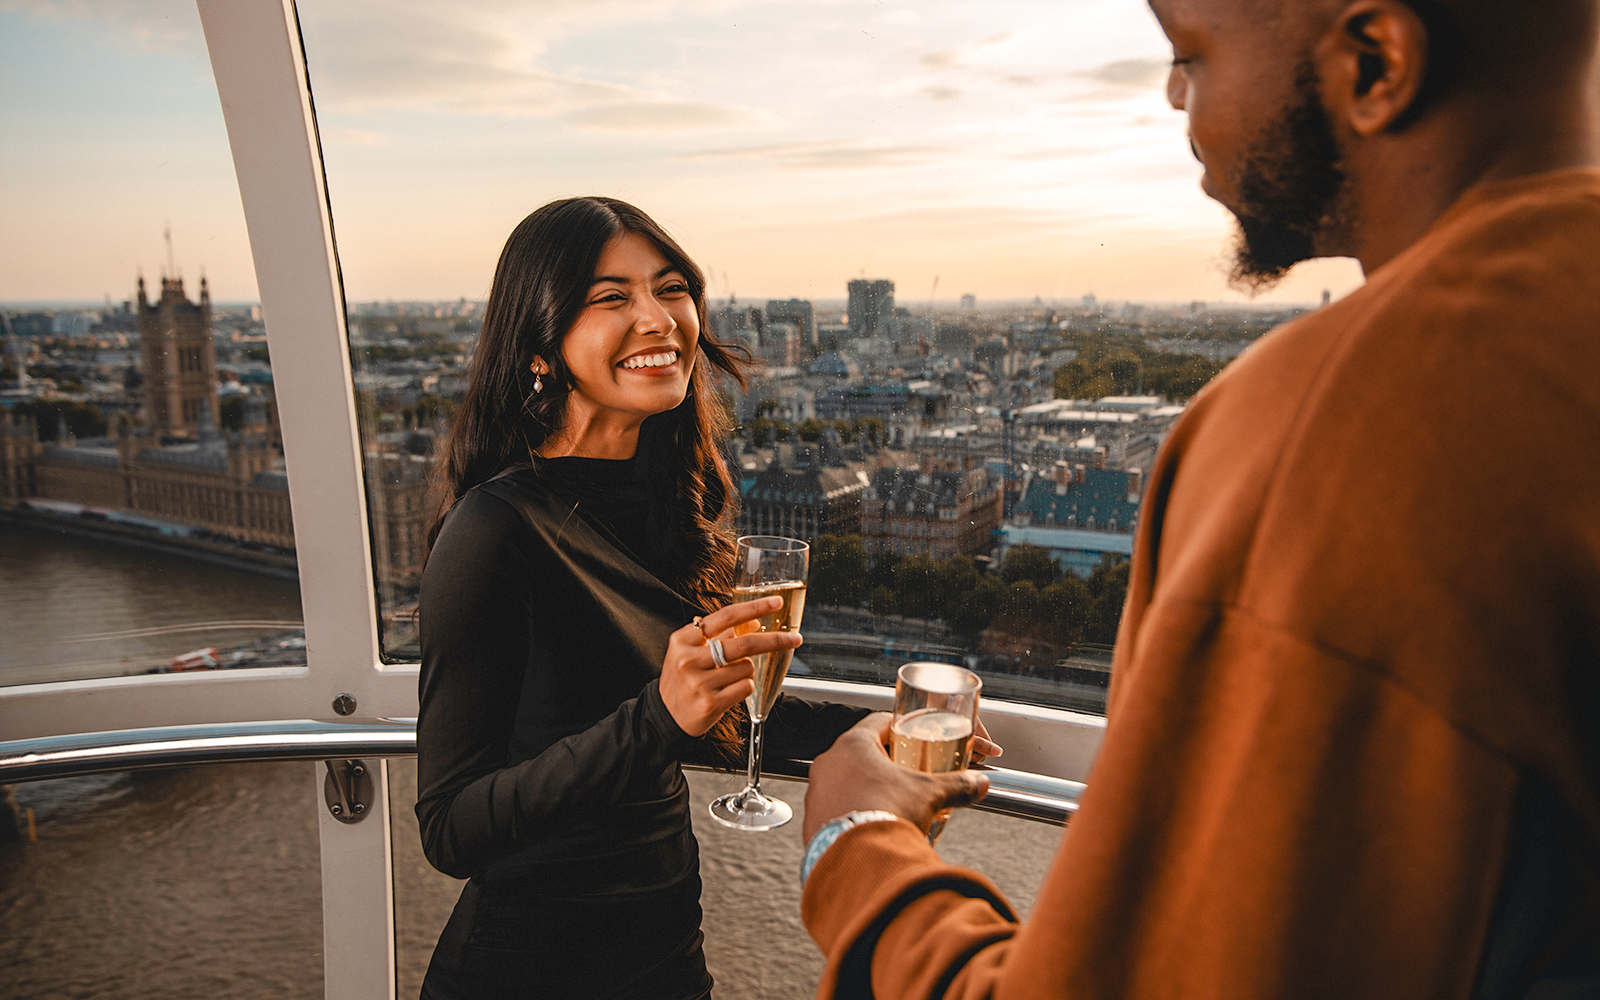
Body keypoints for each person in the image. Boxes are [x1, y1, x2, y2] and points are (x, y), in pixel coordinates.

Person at [798, 0, 1600, 995]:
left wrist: (856, 848)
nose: (1175, 91)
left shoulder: (1341, 426)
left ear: (1374, 62)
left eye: (1190, 52)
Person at [414, 196, 870, 999]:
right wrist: (659, 718)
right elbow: (451, 827)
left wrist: (885, 730)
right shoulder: (494, 530)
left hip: (663, 955)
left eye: (670, 289)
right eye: (611, 297)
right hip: (531, 971)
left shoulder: (662, 500)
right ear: (538, 344)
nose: (659, 319)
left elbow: (702, 715)